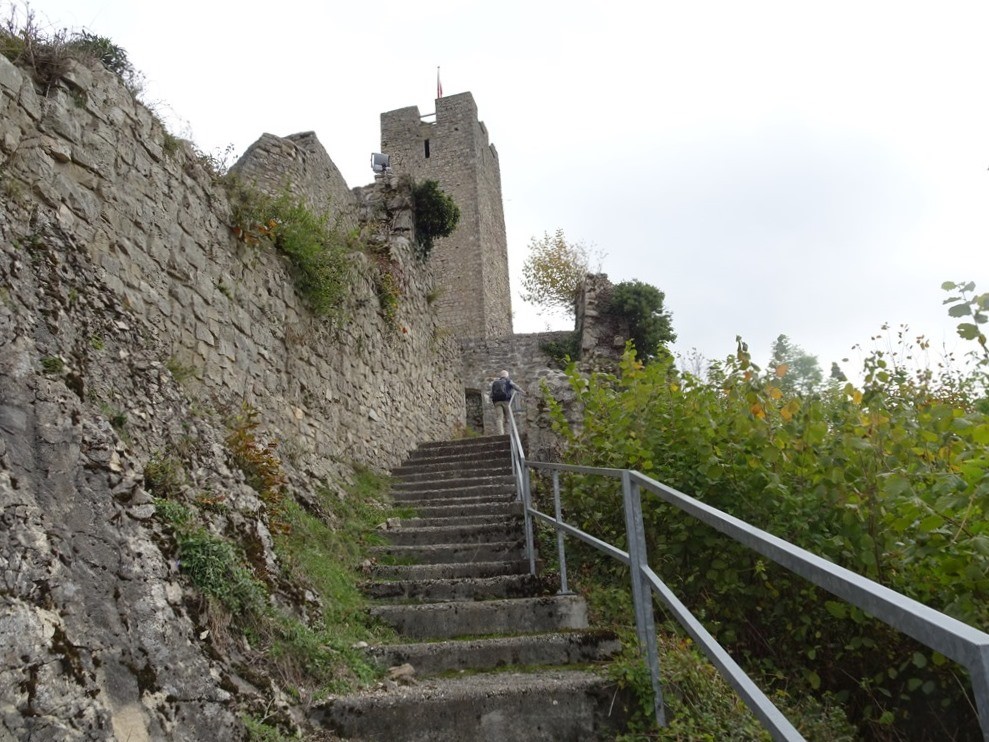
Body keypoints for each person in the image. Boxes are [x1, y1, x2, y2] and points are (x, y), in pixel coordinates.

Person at [491, 370, 524, 435]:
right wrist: (523, 392)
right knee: (508, 418)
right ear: (507, 375)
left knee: (499, 418)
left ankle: (501, 433)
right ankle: (508, 433)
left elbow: (491, 394)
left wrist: (494, 402)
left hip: (497, 402)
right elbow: (515, 387)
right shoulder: (508, 381)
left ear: (500, 376)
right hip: (506, 401)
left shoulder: (495, 383)